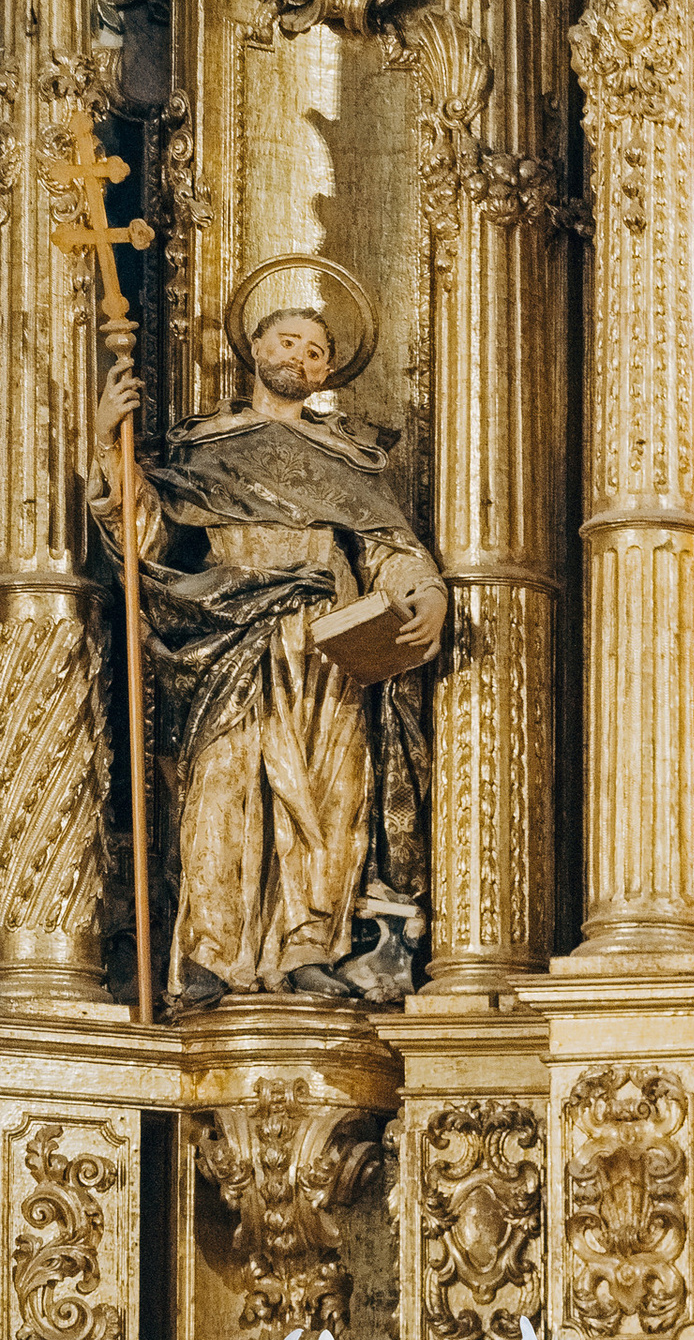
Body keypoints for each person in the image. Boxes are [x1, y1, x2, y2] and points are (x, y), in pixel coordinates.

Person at [94, 298, 444, 1010]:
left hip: (324, 640)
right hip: (228, 634)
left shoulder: (345, 457)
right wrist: (109, 444)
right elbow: (149, 535)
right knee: (223, 791)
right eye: (290, 341)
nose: (302, 358)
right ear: (255, 347)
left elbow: (389, 549)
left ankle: (310, 944)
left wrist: (427, 592)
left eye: (316, 351)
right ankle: (212, 953)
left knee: (326, 794)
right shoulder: (204, 449)